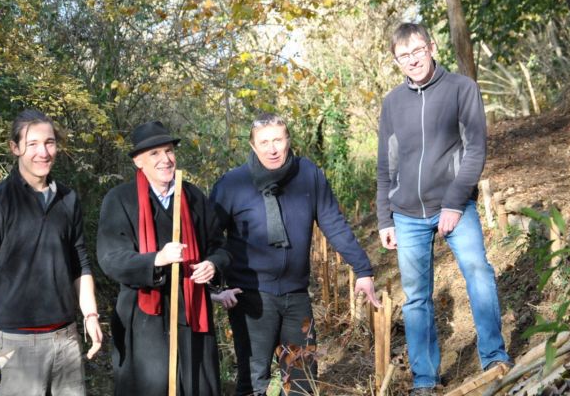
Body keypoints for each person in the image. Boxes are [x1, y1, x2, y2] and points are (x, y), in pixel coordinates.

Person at [376, 23, 511, 395]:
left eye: (418, 51)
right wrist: (384, 217)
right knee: (416, 297)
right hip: (406, 214)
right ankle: (425, 378)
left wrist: (454, 202)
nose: (412, 60)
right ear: (396, 60)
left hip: (454, 206)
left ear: (431, 47)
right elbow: (386, 166)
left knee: (478, 273)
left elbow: (475, 150)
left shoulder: (460, 89)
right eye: (403, 56)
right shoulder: (392, 103)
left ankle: (494, 357)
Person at [210, 113, 380, 396]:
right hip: (251, 297)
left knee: (303, 380)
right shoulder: (232, 184)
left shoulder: (308, 174)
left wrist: (362, 269)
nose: (272, 149)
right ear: (253, 147)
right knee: (254, 382)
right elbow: (209, 239)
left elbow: (334, 223)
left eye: (278, 140)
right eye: (264, 142)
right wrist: (215, 288)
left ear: (288, 140)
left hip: (296, 296)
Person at [0, 109, 102, 396]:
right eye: (33, 144)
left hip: (67, 340)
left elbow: (80, 263)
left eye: (49, 142)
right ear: (15, 148)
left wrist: (90, 315)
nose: (43, 152)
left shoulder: (68, 199)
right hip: (18, 346)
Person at [96, 120, 230, 395]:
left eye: (168, 151)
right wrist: (156, 260)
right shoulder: (120, 199)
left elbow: (220, 247)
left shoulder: (192, 196)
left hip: (193, 312)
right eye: (154, 154)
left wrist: (212, 264)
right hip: (144, 317)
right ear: (138, 162)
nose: (165, 159)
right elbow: (111, 258)